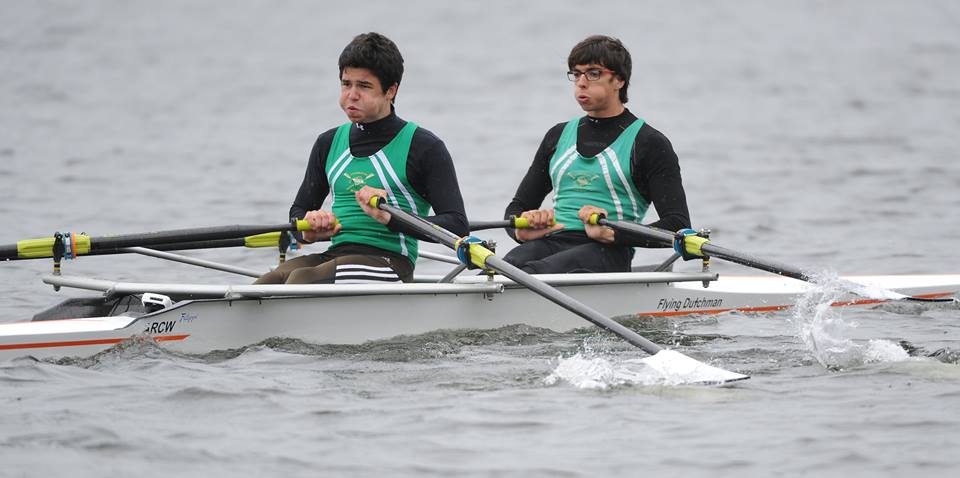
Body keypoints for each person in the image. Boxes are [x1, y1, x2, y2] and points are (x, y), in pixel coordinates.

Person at [257, 32, 468, 284]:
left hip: (392, 263)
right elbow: (298, 213)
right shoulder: (328, 143)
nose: (352, 95)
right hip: (336, 254)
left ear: (391, 90)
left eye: (364, 86)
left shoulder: (424, 147)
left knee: (300, 281)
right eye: (346, 84)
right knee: (267, 283)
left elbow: (456, 226)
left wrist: (391, 217)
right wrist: (309, 228)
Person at [502, 35, 692, 274]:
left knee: (530, 273)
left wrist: (614, 232)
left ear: (619, 80)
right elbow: (516, 208)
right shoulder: (557, 136)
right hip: (550, 243)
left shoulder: (649, 143)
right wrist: (521, 231)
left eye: (593, 74)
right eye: (576, 73)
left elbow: (678, 226)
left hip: (608, 252)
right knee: (499, 269)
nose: (581, 82)